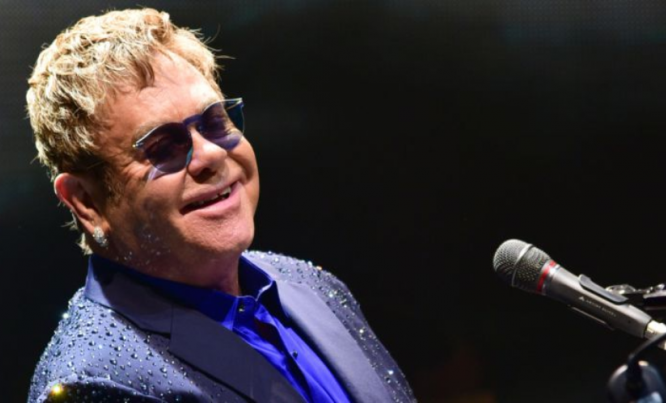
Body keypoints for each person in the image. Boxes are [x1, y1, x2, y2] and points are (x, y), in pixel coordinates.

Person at [26, 8, 415, 403]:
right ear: (86, 201)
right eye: (163, 146)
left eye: (214, 122)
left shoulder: (313, 286)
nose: (211, 154)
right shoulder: (91, 384)